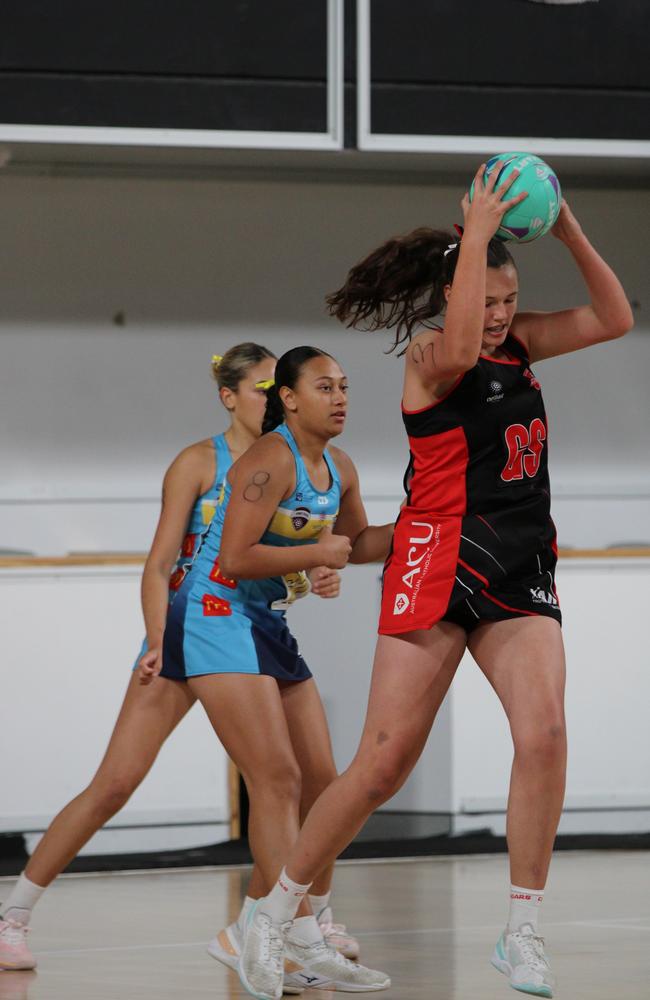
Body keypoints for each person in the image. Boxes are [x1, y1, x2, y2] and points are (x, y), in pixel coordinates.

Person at [239, 166, 635, 1000]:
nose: (497, 313)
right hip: (437, 560)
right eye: (484, 297)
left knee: (546, 734)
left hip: (519, 566)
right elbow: (459, 347)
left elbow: (615, 317)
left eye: (507, 297)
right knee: (381, 768)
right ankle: (271, 918)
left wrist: (564, 226)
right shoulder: (429, 359)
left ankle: (522, 930)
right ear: (455, 292)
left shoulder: (523, 342)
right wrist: (479, 237)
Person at [0, 343, 355, 979]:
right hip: (191, 627)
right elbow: (162, 562)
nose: (272, 400)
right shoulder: (200, 461)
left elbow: (296, 556)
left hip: (254, 630)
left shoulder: (294, 462)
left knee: (311, 778)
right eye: (261, 388)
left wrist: (321, 573)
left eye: (280, 388)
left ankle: (299, 917)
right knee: (117, 784)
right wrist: (157, 634)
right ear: (229, 396)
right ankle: (14, 916)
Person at [167, 344, 394, 997]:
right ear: (289, 398)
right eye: (325, 386)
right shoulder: (269, 458)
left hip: (264, 622)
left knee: (327, 782)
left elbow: (355, 546)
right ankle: (277, 929)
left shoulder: (339, 467)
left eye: (346, 385)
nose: (341, 397)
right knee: (277, 777)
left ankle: (302, 926)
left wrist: (425, 522)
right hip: (213, 611)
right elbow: (234, 556)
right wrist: (314, 553)